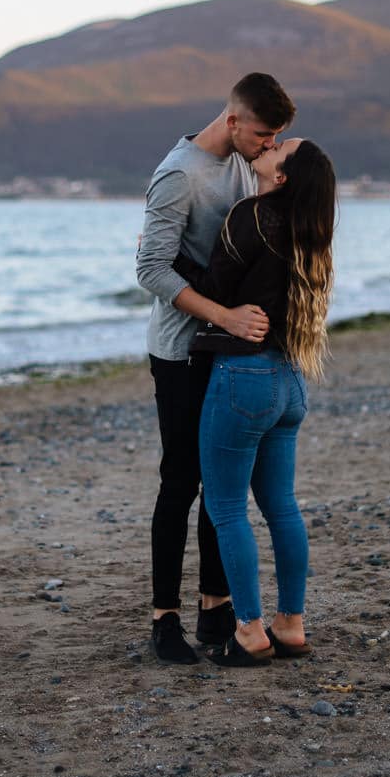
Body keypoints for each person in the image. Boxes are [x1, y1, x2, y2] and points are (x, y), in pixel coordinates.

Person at [134, 72, 296, 665]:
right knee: (180, 483)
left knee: (221, 486)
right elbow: (150, 270)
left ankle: (213, 608)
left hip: (224, 350)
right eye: (263, 133)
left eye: (276, 136)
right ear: (233, 120)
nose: (267, 144)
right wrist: (225, 317)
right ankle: (163, 619)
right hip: (180, 350)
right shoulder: (180, 173)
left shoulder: (245, 165)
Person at [174, 138, 336, 666]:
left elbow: (215, 288)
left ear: (282, 176)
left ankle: (248, 631)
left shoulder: (254, 214)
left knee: (225, 508)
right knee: (282, 506)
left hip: (243, 376)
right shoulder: (310, 234)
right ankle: (290, 625)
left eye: (279, 148)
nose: (269, 146)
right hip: (290, 378)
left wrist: (170, 254)